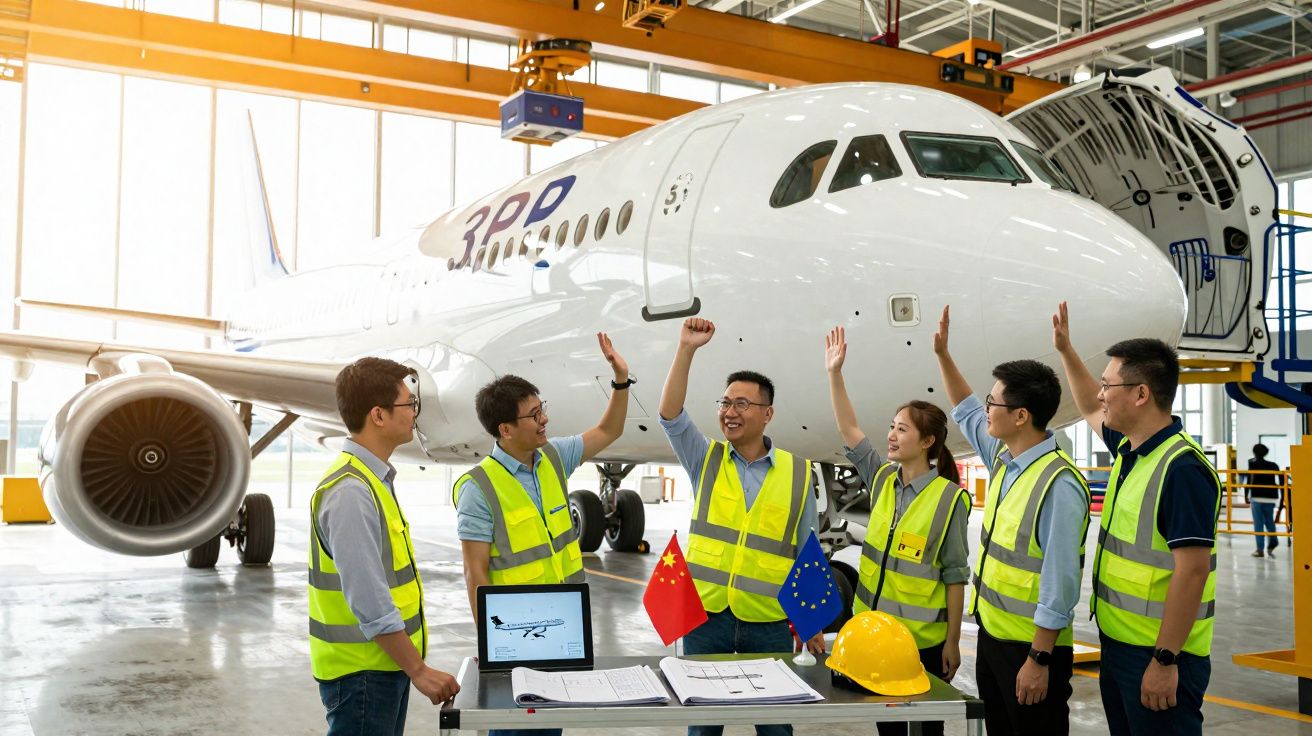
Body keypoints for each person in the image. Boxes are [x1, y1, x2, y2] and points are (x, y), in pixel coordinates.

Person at [1052, 301, 1219, 736]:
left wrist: (1165, 660)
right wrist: (1067, 351)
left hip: (1159, 654)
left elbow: (1193, 570)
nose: (1101, 393)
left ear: (1141, 394)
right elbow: (1091, 408)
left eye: (1108, 385)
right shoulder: (1131, 451)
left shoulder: (1181, 469)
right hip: (1121, 647)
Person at [454, 333, 630, 736]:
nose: (544, 419)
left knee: (551, 727)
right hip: (516, 637)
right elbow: (475, 572)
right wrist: (491, 645)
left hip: (563, 628)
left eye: (541, 408)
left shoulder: (552, 456)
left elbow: (610, 430)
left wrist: (621, 380)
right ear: (506, 429)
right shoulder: (478, 488)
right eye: (534, 414)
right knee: (516, 729)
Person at [658, 317, 821, 736]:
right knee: (704, 727)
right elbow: (671, 415)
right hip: (706, 616)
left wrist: (810, 622)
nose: (730, 412)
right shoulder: (705, 459)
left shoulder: (799, 473)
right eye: (725, 403)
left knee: (775, 727)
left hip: (767, 621)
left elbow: (807, 549)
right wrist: (686, 350)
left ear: (768, 413)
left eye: (742, 404)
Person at [933, 307, 1090, 736]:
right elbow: (965, 410)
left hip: (1032, 650)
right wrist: (944, 355)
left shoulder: (1059, 484)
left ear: (1021, 415)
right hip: (993, 639)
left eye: (994, 402)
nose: (986, 410)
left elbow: (1060, 585)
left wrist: (1039, 659)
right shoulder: (1006, 459)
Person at [825, 326, 970, 736]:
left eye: (902, 429)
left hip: (922, 643)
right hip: (876, 636)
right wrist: (835, 373)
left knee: (926, 731)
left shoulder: (948, 500)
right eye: (891, 426)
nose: (890, 435)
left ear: (927, 441)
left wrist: (953, 642)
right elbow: (849, 430)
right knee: (888, 730)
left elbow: (955, 576)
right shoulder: (884, 480)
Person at [309, 357, 459, 736]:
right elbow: (369, 598)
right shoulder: (351, 492)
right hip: (362, 675)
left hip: (380, 667)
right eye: (409, 405)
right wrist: (419, 670)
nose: (414, 414)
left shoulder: (372, 480)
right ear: (378, 415)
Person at [1245, 443, 1282, 558]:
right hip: (1270, 497)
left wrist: (1246, 495)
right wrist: (1282, 496)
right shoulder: (1273, 465)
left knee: (1258, 524)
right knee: (1269, 521)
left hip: (1257, 496)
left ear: (1254, 452)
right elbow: (1281, 480)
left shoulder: (1252, 464)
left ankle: (1260, 550)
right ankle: (1273, 540)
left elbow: (1249, 480)